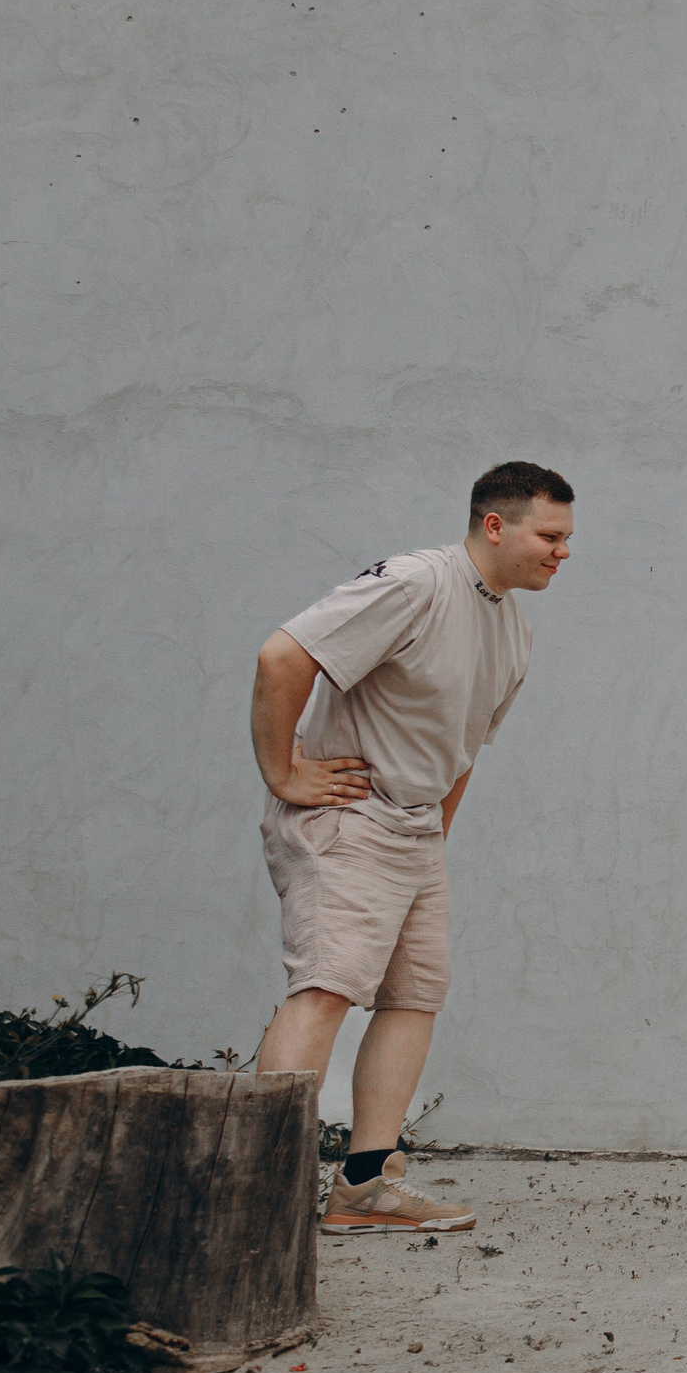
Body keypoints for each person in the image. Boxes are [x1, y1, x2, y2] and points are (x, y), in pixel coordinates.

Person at [249, 462, 574, 1234]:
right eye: (550, 536)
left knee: (414, 998)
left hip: (414, 833)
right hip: (349, 821)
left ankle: (365, 1185)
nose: (563, 552)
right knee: (326, 989)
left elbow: (463, 749)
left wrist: (433, 839)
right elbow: (281, 658)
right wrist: (284, 771)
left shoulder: (512, 626)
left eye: (567, 538)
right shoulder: (413, 584)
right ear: (495, 526)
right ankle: (255, 1196)